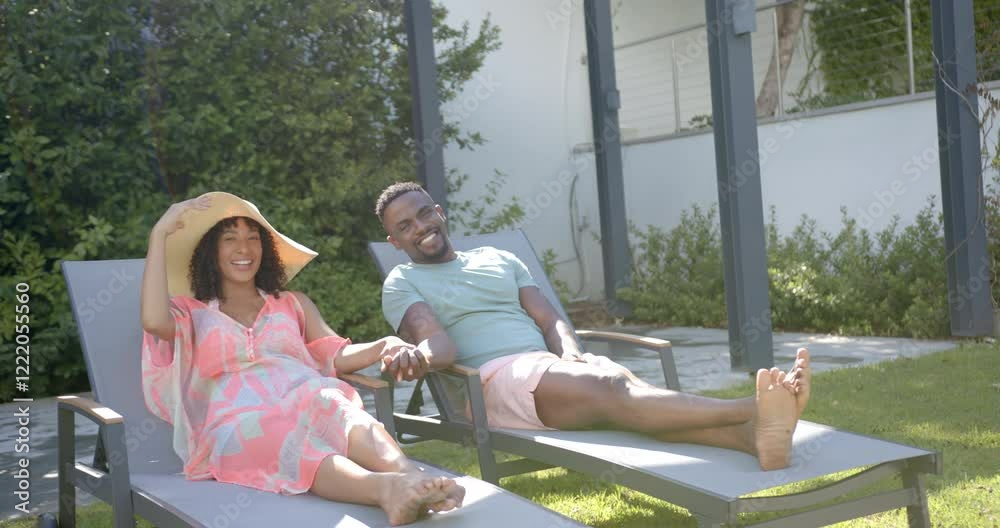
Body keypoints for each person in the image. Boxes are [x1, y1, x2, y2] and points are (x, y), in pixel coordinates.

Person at [374, 182, 812, 471]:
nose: (421, 228)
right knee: (616, 389)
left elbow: (550, 319)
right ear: (394, 242)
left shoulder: (499, 258)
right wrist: (418, 356)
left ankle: (752, 440)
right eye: (405, 227)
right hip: (492, 383)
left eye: (424, 214)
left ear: (439, 211)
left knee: (627, 398)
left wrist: (570, 353)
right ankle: (754, 408)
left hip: (549, 368)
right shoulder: (403, 281)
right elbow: (439, 345)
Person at [140, 191, 464, 525]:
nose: (244, 248)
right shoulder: (190, 313)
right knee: (280, 434)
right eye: (230, 239)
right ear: (211, 251)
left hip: (304, 398)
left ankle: (413, 476)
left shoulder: (292, 303)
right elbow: (152, 320)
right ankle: (386, 490)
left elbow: (335, 354)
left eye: (253, 238)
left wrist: (385, 344)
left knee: (333, 402)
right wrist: (160, 232)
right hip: (238, 424)